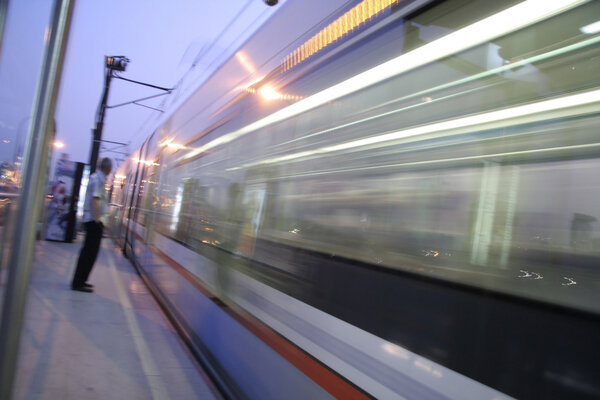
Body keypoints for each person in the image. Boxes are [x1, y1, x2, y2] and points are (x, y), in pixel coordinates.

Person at [70, 157, 112, 292]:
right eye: (110, 169)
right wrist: (98, 220)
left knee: (88, 252)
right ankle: (78, 283)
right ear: (107, 168)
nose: (110, 171)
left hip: (91, 220)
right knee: (89, 253)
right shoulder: (99, 179)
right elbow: (95, 199)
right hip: (93, 221)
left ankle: (81, 280)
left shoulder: (95, 177)